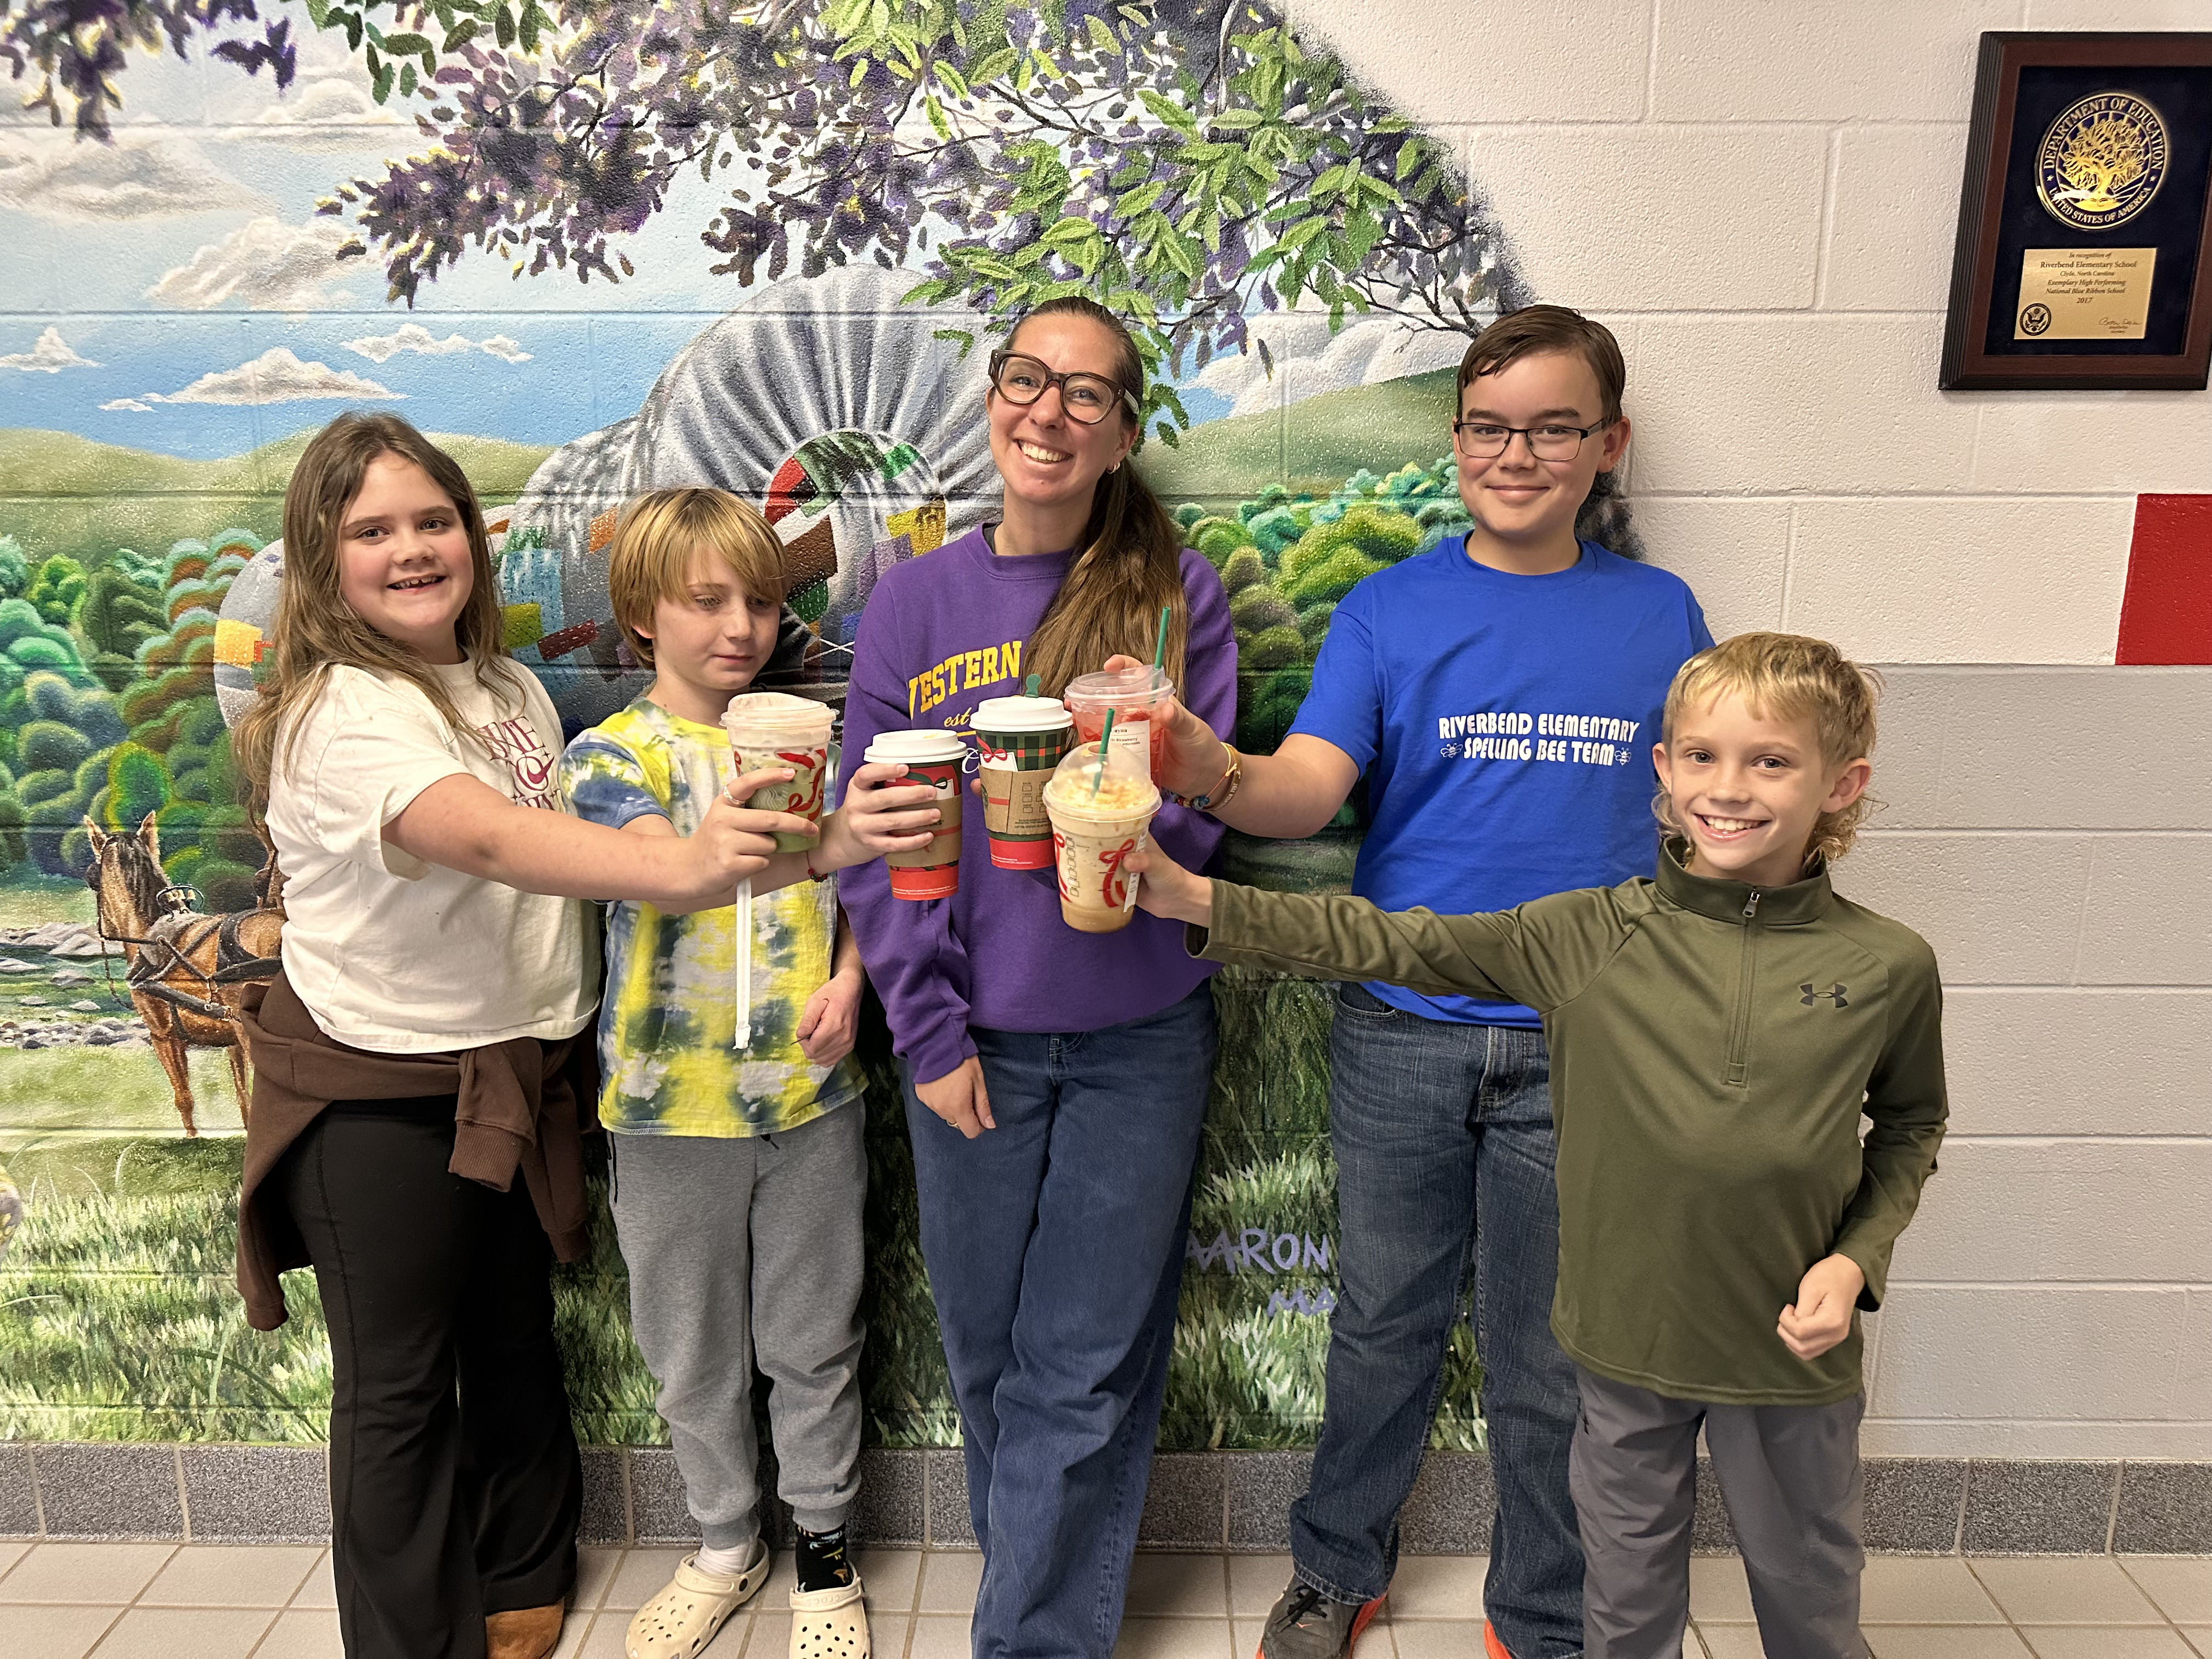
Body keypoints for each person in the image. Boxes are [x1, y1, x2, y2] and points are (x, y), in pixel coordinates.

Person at [229, 413, 910, 1659]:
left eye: (435, 519)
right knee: (425, 1386)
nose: (415, 547)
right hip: (422, 1084)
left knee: (523, 1340)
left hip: (588, 1079)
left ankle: (564, 1576)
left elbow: (825, 868)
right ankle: (697, 1549)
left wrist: (877, 864)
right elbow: (510, 842)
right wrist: (694, 858)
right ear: (321, 559)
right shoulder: (346, 713)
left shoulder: (506, 691)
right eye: (372, 529)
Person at [1133, 631, 1947, 1659]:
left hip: (1789, 1356)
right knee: (1622, 1608)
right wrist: (1192, 897)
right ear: (1662, 767)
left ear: (1844, 784)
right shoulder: (1591, 935)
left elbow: (1912, 1126)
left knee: (1811, 1603)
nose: (1729, 789)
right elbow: (1396, 940)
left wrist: (1853, 1261)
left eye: (1771, 761)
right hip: (1622, 1349)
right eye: (1701, 756)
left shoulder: (1886, 964)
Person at [1133, 304, 1712, 1659]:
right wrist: (1204, 763)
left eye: (1555, 427)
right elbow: (1305, 794)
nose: (1521, 454)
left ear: (1607, 444)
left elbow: (1701, 812)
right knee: (1382, 1324)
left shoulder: (1663, 612)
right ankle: (1340, 1569)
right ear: (1457, 441)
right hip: (1401, 1031)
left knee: (1553, 1356)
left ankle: (1545, 1611)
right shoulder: (1392, 608)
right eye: (1493, 427)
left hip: (1589, 1045)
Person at [837, 296, 1237, 1659]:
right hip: (973, 1046)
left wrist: (1135, 758)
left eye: (1087, 393)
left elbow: (1194, 831)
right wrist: (930, 1034)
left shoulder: (1174, 596)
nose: (1048, 411)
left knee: (1078, 1372)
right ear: (993, 396)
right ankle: (1042, 1614)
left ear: (1126, 433)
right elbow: (872, 852)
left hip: (1138, 1040)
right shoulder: (913, 601)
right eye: (1026, 379)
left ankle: (1026, 1644)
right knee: (995, 1369)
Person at [559, 488, 939, 1659]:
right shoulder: (609, 756)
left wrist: (854, 978)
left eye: (765, 601)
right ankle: (727, 1540)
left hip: (808, 1096)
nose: (742, 626)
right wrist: (707, 834)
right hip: (667, 1113)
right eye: (707, 600)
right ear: (642, 615)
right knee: (691, 1350)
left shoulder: (818, 743)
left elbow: (850, 881)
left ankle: (824, 1549)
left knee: (813, 1336)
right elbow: (640, 867)